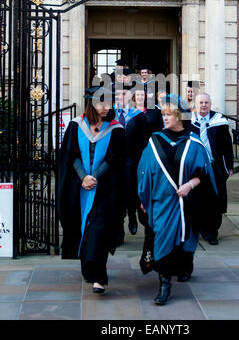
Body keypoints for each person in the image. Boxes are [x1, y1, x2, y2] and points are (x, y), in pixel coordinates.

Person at [137, 94, 218, 305]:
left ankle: (186, 264)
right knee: (162, 239)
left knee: (187, 239)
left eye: (169, 115)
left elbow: (205, 175)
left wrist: (190, 185)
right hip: (161, 201)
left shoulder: (194, 142)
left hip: (188, 203)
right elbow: (144, 171)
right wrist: (143, 199)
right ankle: (164, 285)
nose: (165, 118)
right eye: (163, 114)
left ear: (180, 116)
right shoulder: (155, 141)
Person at [57, 86, 126, 294]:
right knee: (82, 228)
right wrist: (83, 177)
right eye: (101, 103)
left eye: (108, 103)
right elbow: (70, 155)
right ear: (91, 104)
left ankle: (99, 276)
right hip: (80, 188)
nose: (106, 108)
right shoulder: (76, 126)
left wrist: (95, 177)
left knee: (99, 229)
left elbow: (115, 159)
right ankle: (88, 269)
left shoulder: (116, 129)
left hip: (105, 189)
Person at [189, 92, 233, 245]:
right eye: (200, 102)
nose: (203, 105)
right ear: (196, 104)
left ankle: (212, 232)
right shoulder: (189, 121)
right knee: (197, 200)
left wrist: (229, 166)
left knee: (215, 201)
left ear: (210, 104)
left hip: (215, 167)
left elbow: (227, 146)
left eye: (206, 102)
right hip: (196, 169)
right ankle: (198, 229)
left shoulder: (219, 121)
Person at [114, 84, 148, 237]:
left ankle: (132, 215)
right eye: (118, 94)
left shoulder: (138, 116)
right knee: (116, 194)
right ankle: (119, 227)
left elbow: (143, 141)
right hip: (112, 161)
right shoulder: (109, 114)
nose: (121, 97)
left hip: (132, 160)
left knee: (130, 190)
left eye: (124, 94)